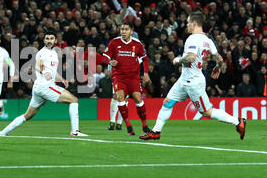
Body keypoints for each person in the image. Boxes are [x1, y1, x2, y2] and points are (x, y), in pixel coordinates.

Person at [139, 11, 247, 141]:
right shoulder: (207, 40)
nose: (187, 25)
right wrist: (218, 67)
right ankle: (156, 132)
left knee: (207, 112)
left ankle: (238, 121)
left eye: (188, 22)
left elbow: (191, 57)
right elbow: (219, 57)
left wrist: (178, 60)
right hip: (184, 80)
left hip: (193, 82)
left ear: (194, 23)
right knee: (167, 102)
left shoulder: (192, 39)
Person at [0, 31, 88, 137]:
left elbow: (52, 70)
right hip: (45, 87)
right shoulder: (42, 53)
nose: (49, 41)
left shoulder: (54, 53)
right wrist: (44, 72)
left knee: (28, 115)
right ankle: (75, 131)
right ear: (44, 40)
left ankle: (2, 133)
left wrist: (62, 79)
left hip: (39, 88)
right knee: (74, 100)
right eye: (47, 39)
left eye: (51, 39)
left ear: (55, 41)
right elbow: (38, 65)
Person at [102, 21, 151, 135]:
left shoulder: (137, 44)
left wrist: (146, 73)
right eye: (122, 29)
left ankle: (144, 125)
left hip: (133, 77)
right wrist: (110, 61)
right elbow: (104, 57)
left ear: (131, 31)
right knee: (120, 97)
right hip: (119, 76)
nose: (123, 32)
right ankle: (128, 125)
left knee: (138, 99)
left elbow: (145, 59)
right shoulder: (114, 43)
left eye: (126, 29)